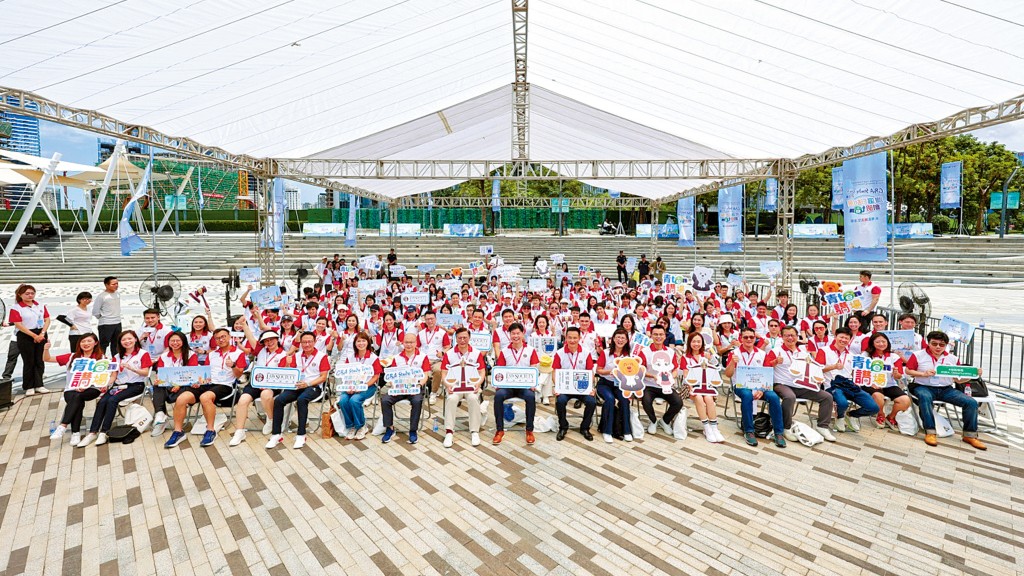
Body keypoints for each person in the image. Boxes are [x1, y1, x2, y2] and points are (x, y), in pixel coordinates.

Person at [905, 331, 986, 450]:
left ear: (946, 345)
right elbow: (908, 371)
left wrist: (973, 374)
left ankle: (970, 435)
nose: (938, 347)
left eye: (942, 345)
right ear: (928, 343)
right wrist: (923, 373)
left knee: (971, 402)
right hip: (923, 386)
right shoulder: (918, 355)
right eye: (934, 344)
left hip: (946, 389)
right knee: (925, 397)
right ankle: (931, 432)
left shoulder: (952, 358)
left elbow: (958, 380)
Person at [78, 330, 151, 447]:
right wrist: (106, 384)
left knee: (112, 400)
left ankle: (104, 432)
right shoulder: (116, 357)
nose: (127, 341)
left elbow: (146, 372)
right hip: (118, 386)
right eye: (124, 340)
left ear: (135, 339)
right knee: (102, 401)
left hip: (136, 385)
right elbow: (113, 375)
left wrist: (131, 368)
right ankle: (92, 433)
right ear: (120, 342)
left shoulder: (143, 354)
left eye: (129, 339)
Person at [770, 326, 836, 442]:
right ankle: (786, 427)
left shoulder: (803, 352)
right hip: (782, 384)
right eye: (787, 335)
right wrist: (775, 362)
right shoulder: (776, 351)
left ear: (797, 337)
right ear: (782, 337)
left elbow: (811, 369)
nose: (790, 338)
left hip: (802, 385)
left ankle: (822, 426)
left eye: (793, 335)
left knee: (827, 397)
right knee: (790, 397)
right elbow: (766, 366)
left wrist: (816, 379)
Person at [267, 331, 330, 449]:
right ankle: (276, 434)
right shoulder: (296, 355)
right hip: (297, 386)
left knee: (301, 400)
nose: (307, 344)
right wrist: (287, 364)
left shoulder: (322, 356)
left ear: (315, 342)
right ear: (300, 343)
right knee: (279, 400)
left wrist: (308, 384)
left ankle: (301, 434)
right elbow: (288, 374)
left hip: (313, 386)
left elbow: (323, 377)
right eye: (304, 342)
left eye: (310, 342)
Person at [724, 327, 785, 447]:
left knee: (773, 397)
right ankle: (749, 431)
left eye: (751, 337)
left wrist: (761, 390)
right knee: (747, 395)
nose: (748, 339)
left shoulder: (762, 354)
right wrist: (732, 362)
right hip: (741, 385)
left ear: (755, 338)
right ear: (741, 338)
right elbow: (728, 374)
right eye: (745, 337)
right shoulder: (734, 353)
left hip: (760, 386)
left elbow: (768, 373)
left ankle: (778, 432)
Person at [230, 330, 292, 446]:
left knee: (265, 395)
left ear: (277, 339)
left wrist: (288, 364)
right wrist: (244, 325)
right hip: (257, 382)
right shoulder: (260, 351)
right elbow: (251, 338)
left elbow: (283, 374)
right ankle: (239, 432)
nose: (269, 342)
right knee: (242, 400)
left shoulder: (283, 354)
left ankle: (271, 419)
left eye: (271, 339)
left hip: (273, 384)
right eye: (266, 341)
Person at [43, 333, 104, 446]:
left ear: (95, 343)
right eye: (83, 341)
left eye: (89, 341)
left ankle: (64, 426)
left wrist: (86, 385)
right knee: (77, 399)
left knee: (78, 397)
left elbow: (101, 377)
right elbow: (47, 359)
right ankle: (75, 433)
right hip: (71, 389)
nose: (85, 344)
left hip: (92, 388)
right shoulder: (72, 357)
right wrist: (46, 349)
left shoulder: (100, 358)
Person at [820, 328, 879, 433]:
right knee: (842, 403)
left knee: (873, 407)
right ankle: (840, 417)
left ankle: (851, 415)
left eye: (846, 338)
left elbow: (857, 372)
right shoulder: (824, 350)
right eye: (841, 337)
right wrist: (833, 367)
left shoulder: (852, 356)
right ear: (835, 337)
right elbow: (818, 369)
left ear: (850, 340)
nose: (843, 340)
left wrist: (870, 382)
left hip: (849, 385)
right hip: (831, 385)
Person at [491, 322, 539, 446]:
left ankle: (529, 430)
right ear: (509, 335)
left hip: (524, 387)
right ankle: (499, 430)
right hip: (508, 386)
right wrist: (497, 383)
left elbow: (534, 369)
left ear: (523, 334)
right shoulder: (504, 351)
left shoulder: (531, 350)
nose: (516, 336)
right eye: (513, 333)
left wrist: (533, 383)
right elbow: (500, 369)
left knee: (530, 397)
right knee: (498, 396)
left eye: (518, 333)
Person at [381, 332, 431, 445]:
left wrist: (419, 385)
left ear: (416, 343)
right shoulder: (397, 358)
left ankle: (413, 430)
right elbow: (391, 376)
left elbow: (425, 375)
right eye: (406, 342)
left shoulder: (423, 356)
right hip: (399, 388)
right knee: (385, 400)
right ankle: (390, 428)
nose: (409, 344)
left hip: (415, 387)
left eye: (411, 342)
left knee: (417, 401)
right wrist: (394, 387)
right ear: (403, 343)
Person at [440, 327, 486, 447]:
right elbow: (444, 374)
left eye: (465, 337)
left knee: (473, 398)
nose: (462, 340)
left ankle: (474, 431)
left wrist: (478, 384)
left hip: (472, 386)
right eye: (459, 338)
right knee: (451, 399)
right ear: (456, 339)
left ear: (469, 338)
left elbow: (482, 372)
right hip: (454, 386)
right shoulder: (449, 354)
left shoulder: (476, 353)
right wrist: (447, 385)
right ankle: (449, 432)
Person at [153, 332, 200, 445]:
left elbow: (192, 374)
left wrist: (178, 385)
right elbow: (161, 373)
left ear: (183, 341)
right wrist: (160, 380)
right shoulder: (164, 356)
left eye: (178, 340)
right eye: (172, 341)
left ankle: (177, 429)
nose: (175, 343)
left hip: (186, 386)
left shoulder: (190, 355)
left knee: (185, 390)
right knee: (157, 385)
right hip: (170, 386)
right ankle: (160, 413)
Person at [552, 327, 597, 441]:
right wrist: (557, 386)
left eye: (575, 338)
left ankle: (585, 427)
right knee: (560, 401)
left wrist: (590, 387)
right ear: (565, 338)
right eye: (569, 338)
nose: (572, 340)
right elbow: (555, 372)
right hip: (565, 388)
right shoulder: (559, 353)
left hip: (581, 388)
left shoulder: (586, 353)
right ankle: (563, 426)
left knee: (592, 402)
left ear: (579, 338)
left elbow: (590, 372)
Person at [861, 332, 912, 430]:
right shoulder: (866, 355)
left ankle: (891, 417)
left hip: (889, 384)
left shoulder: (894, 356)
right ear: (872, 343)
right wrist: (871, 383)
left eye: (883, 341)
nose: (881, 344)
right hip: (870, 383)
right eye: (878, 342)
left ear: (888, 343)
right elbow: (860, 371)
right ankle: (880, 414)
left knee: (905, 400)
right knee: (878, 396)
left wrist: (896, 374)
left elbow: (899, 376)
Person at [337, 331, 382, 440]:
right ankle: (352, 425)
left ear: (368, 342)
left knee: (354, 400)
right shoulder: (350, 356)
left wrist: (363, 386)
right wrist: (349, 387)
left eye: (363, 341)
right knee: (343, 400)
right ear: (355, 343)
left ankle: (361, 426)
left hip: (368, 386)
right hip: (351, 386)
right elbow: (346, 374)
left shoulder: (373, 358)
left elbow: (376, 377)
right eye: (358, 341)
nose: (361, 343)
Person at [681, 332, 723, 443]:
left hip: (706, 385)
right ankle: (706, 427)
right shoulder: (685, 357)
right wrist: (691, 387)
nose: (696, 344)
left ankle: (714, 427)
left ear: (702, 343)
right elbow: (686, 374)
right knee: (698, 397)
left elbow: (717, 367)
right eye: (693, 341)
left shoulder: (706, 355)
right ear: (689, 343)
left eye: (698, 341)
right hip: (690, 386)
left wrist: (711, 357)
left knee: (708, 398)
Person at [10, 284, 50, 396]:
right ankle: (29, 386)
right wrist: (34, 336)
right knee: (29, 361)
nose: (30, 295)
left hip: (41, 333)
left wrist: (42, 333)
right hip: (25, 335)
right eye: (27, 293)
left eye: (32, 293)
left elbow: (47, 319)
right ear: (20, 294)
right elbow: (18, 324)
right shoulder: (16, 307)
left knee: (39, 360)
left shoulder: (40, 305)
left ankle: (39, 384)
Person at [595, 328, 633, 443]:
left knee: (625, 400)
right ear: (613, 339)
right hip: (605, 383)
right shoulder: (606, 353)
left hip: (620, 385)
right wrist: (610, 371)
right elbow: (599, 370)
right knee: (610, 399)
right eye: (618, 337)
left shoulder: (628, 355)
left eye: (623, 338)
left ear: (627, 341)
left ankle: (626, 431)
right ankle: (607, 431)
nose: (620, 340)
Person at [417, 310, 451, 405]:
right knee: (419, 371)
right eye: (427, 319)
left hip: (437, 360)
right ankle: (420, 390)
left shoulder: (442, 332)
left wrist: (443, 352)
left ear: (435, 319)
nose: (430, 321)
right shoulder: (421, 333)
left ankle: (433, 392)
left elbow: (448, 346)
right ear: (425, 320)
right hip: (424, 361)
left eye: (431, 319)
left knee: (438, 370)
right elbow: (417, 347)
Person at [92, 276, 122, 357]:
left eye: (117, 283)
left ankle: (115, 361)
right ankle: (101, 361)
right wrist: (104, 318)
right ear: (106, 285)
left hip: (117, 322)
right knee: (103, 344)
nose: (116, 285)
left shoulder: (117, 294)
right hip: (106, 324)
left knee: (116, 344)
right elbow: (95, 311)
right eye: (113, 284)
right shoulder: (102, 296)